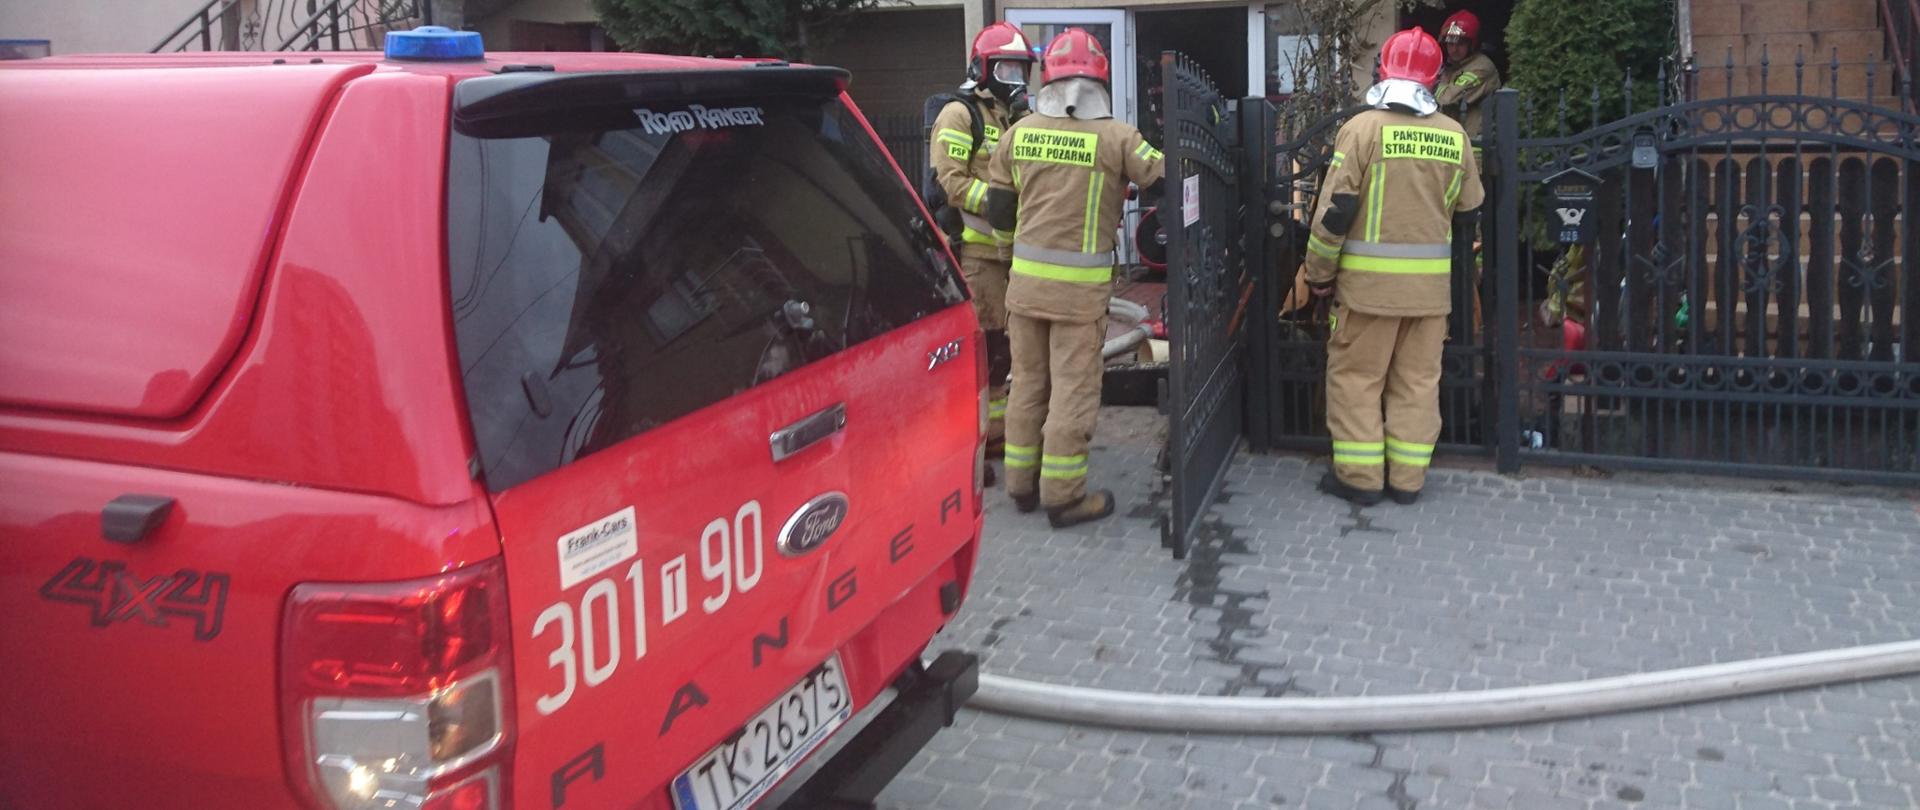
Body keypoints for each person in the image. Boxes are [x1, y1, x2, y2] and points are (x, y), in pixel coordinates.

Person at [984, 27, 1165, 527]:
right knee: (1072, 392)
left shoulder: (1018, 133)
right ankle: (1063, 497)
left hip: (1024, 289)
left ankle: (1021, 486)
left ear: (1049, 78)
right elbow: (1164, 177)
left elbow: (1001, 208)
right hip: (1078, 299)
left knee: (1026, 386)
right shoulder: (1116, 137)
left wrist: (1009, 258)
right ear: (1101, 81)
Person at [1304, 27, 1484, 506]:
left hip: (1367, 294)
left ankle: (1360, 481)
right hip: (1429, 298)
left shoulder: (1361, 130)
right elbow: (1469, 211)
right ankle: (1407, 481)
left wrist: (1318, 277)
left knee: (1356, 381)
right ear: (1435, 75)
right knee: (1417, 386)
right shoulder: (1454, 135)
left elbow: (1332, 215)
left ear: (1383, 70)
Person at [929, 22, 1035, 463]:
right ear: (983, 67)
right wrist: (1001, 205)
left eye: (1021, 68)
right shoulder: (960, 114)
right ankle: (979, 442)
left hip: (1014, 253)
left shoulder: (1016, 117)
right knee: (986, 349)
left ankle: (996, 433)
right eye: (1006, 67)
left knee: (1006, 350)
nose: (1015, 77)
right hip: (978, 252)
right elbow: (949, 182)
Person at [1434, 10, 1502, 142]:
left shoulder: (1481, 67)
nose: (1454, 49)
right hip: (1455, 140)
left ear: (1472, 44)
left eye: (1460, 43)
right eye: (1450, 43)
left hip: (1476, 142)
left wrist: (1440, 83)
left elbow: (1446, 98)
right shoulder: (1453, 67)